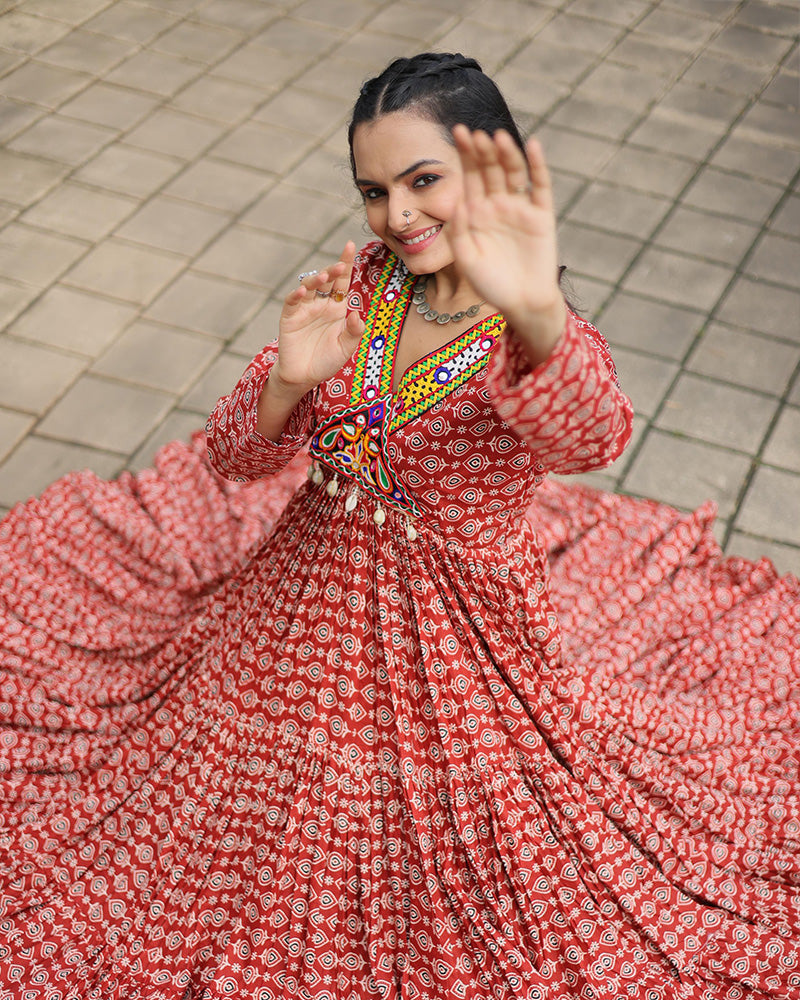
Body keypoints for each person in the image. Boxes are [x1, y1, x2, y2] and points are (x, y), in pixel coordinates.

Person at [0, 52, 797, 1000]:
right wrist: (292, 377)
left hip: (459, 640)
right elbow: (235, 463)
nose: (399, 214)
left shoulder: (527, 326)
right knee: (210, 801)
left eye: (424, 181)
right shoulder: (371, 280)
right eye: (374, 191)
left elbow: (595, 434)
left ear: (489, 166)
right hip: (294, 597)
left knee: (454, 841)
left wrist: (538, 309)